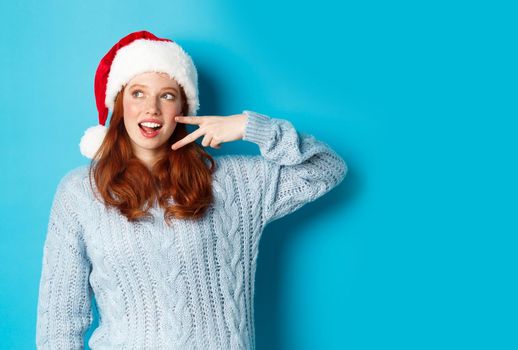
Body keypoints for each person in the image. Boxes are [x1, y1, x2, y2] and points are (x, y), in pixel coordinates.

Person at [35, 30, 348, 350]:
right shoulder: (79, 192)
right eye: (138, 93)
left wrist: (248, 127)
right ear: (119, 103)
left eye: (167, 95)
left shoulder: (233, 182)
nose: (152, 108)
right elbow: (59, 320)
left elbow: (327, 168)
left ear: (183, 106)